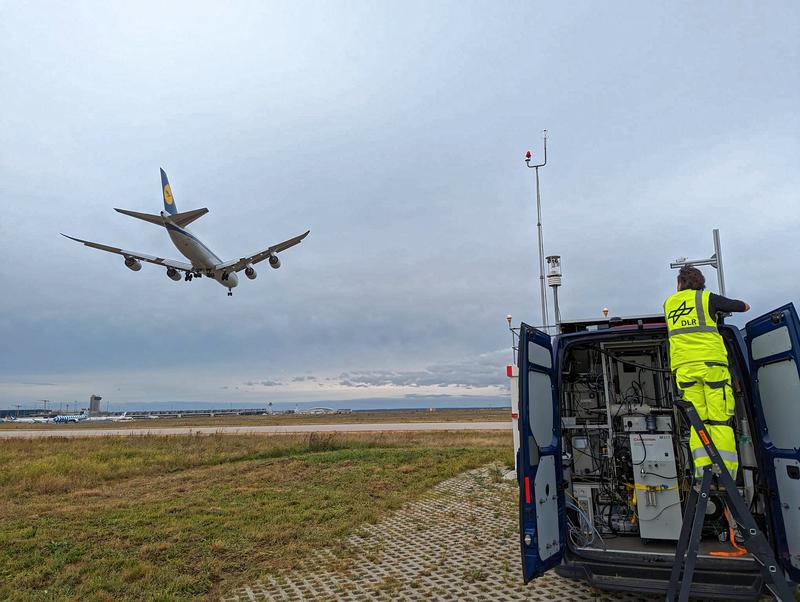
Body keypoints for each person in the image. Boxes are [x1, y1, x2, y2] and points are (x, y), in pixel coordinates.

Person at [663, 265, 750, 479]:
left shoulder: (668, 304)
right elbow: (742, 306)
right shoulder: (706, 298)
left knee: (698, 421)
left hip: (684, 370)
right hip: (711, 367)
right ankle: (726, 471)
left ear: (680, 283)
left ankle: (704, 471)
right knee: (719, 419)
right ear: (700, 283)